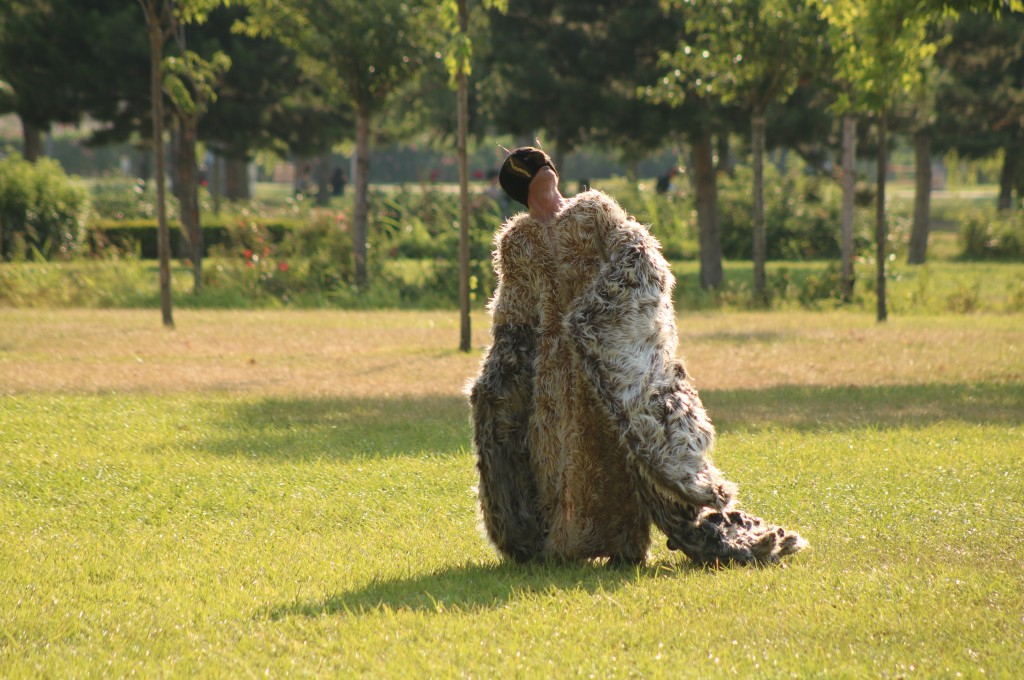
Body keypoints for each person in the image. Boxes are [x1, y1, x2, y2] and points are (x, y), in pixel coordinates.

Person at [469, 147, 807, 566]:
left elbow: (640, 255)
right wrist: (500, 375)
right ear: (522, 191)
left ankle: (625, 543)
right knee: (557, 451)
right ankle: (568, 540)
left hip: (609, 358)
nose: (543, 179)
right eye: (532, 176)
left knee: (618, 450)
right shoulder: (517, 242)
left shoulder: (593, 211)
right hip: (553, 370)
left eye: (543, 169)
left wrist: (598, 314)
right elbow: (514, 311)